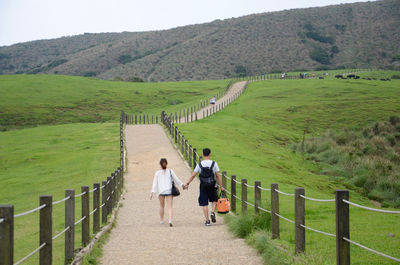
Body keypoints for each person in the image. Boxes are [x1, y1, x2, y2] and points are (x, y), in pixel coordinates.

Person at [185, 148, 225, 226]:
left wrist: (188, 183)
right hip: (212, 185)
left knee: (204, 203)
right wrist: (221, 186)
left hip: (203, 186)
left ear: (203, 154)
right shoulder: (214, 163)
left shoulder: (199, 164)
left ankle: (207, 221)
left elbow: (193, 175)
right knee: (214, 200)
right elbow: (217, 176)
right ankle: (212, 212)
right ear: (210, 154)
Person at [150, 158, 185, 227]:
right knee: (170, 207)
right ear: (167, 164)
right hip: (169, 190)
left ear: (160, 165)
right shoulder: (170, 171)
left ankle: (161, 220)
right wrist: (182, 185)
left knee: (161, 206)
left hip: (161, 191)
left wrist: (152, 192)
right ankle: (170, 220)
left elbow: (155, 183)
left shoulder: (157, 173)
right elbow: (176, 179)